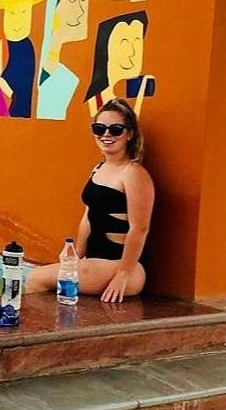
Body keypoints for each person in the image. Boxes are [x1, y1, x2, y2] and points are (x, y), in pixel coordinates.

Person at [26, 98, 154, 302]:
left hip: (120, 265)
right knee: (47, 283)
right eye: (99, 128)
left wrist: (122, 274)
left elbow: (140, 228)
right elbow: (89, 214)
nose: (106, 134)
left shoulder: (133, 173)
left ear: (129, 134)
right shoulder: (99, 168)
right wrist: (75, 254)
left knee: (35, 278)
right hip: (96, 262)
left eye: (115, 129)